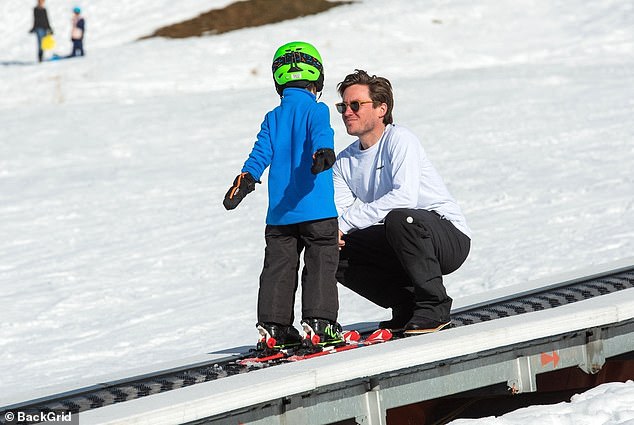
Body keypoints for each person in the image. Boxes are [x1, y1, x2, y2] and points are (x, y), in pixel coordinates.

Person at [333, 69, 472, 335]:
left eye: (355, 105)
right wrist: (332, 233)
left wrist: (346, 223)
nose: (347, 112)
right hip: (400, 239)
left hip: (448, 238)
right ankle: (406, 305)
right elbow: (338, 213)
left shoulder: (400, 139)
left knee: (401, 217)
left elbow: (404, 197)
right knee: (333, 249)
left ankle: (435, 306)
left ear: (381, 108)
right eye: (343, 106)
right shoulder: (345, 161)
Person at [223, 41, 341, 352]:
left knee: (278, 267)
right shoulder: (316, 109)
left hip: (280, 216)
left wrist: (246, 179)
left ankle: (274, 328)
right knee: (320, 262)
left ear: (278, 80)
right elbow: (321, 133)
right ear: (317, 78)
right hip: (316, 210)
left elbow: (260, 153)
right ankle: (320, 324)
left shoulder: (273, 117)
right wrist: (324, 152)